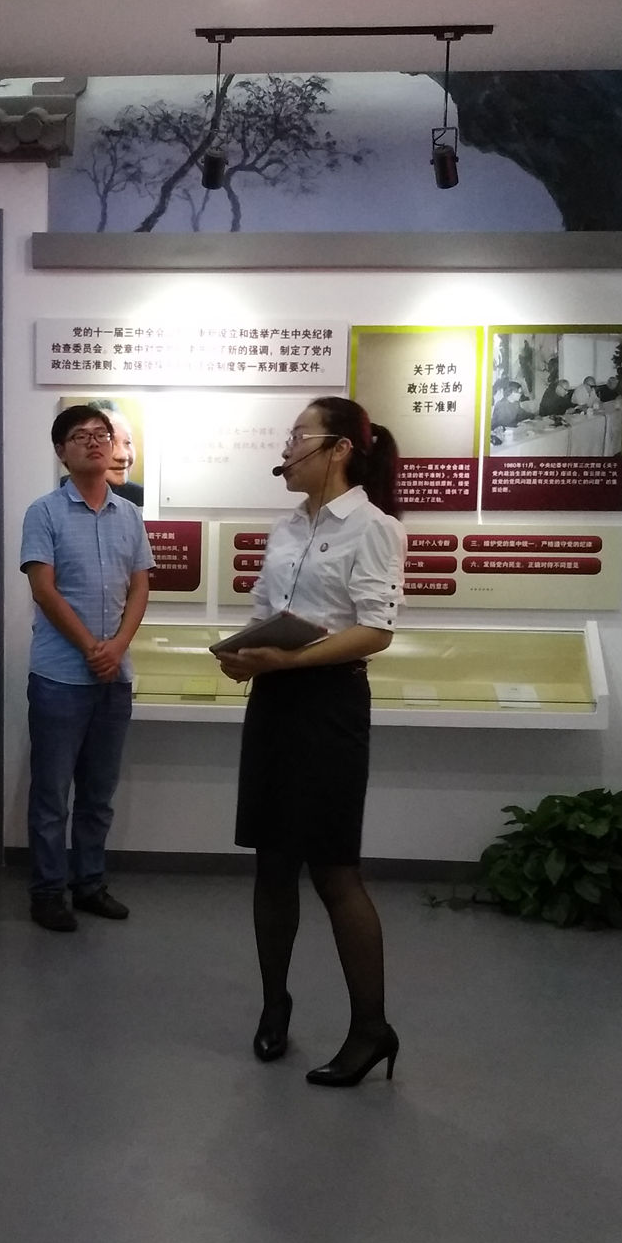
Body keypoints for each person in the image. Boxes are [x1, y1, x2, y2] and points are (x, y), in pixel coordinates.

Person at [216, 396, 407, 1089]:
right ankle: (275, 1007)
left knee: (333, 870)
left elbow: (375, 629)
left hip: (328, 706)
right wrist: (246, 655)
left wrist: (288, 660)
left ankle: (371, 1028)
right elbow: (266, 611)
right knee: (272, 863)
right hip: (274, 700)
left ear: (339, 449)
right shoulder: (286, 527)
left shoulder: (374, 527)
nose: (287, 447)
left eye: (300, 435)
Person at [20, 405, 153, 933]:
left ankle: (90, 883)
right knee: (52, 795)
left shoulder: (130, 515)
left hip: (113, 678)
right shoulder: (44, 512)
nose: (95, 443)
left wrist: (116, 647)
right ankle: (48, 891)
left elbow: (140, 586)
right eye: (81, 436)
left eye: (102, 434)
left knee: (98, 795)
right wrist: (91, 647)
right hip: (59, 677)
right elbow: (43, 588)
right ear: (61, 451)